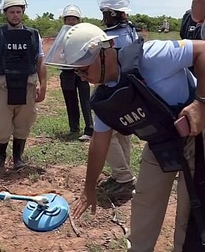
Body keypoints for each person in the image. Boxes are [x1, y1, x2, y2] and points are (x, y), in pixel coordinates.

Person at [45, 22, 205, 251]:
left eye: (83, 69)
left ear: (103, 52)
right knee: (144, 205)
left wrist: (200, 103)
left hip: (198, 134)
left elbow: (203, 50)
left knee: (190, 214)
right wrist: (89, 188)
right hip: (162, 144)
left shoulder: (152, 56)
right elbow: (99, 143)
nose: (81, 77)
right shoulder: (106, 99)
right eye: (76, 71)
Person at [0, 0, 46, 172]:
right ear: (5, 13)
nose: (15, 15)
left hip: (27, 84)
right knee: (1, 124)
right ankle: (0, 157)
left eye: (19, 11)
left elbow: (40, 61)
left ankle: (18, 158)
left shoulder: (34, 34)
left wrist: (43, 86)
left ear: (23, 12)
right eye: (11, 12)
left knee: (24, 123)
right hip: (4, 85)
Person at [96, 0, 138, 203]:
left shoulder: (113, 37)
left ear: (114, 13)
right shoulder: (130, 31)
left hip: (113, 89)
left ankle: (123, 176)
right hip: (129, 89)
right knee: (122, 133)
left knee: (104, 134)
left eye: (105, 13)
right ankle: (122, 172)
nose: (104, 17)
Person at [59, 4, 94, 141]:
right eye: (69, 19)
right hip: (67, 72)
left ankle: (89, 129)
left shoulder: (84, 35)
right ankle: (74, 128)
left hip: (81, 72)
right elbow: (59, 52)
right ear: (65, 21)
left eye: (74, 19)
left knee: (85, 101)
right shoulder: (62, 35)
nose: (71, 21)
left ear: (79, 20)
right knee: (70, 101)